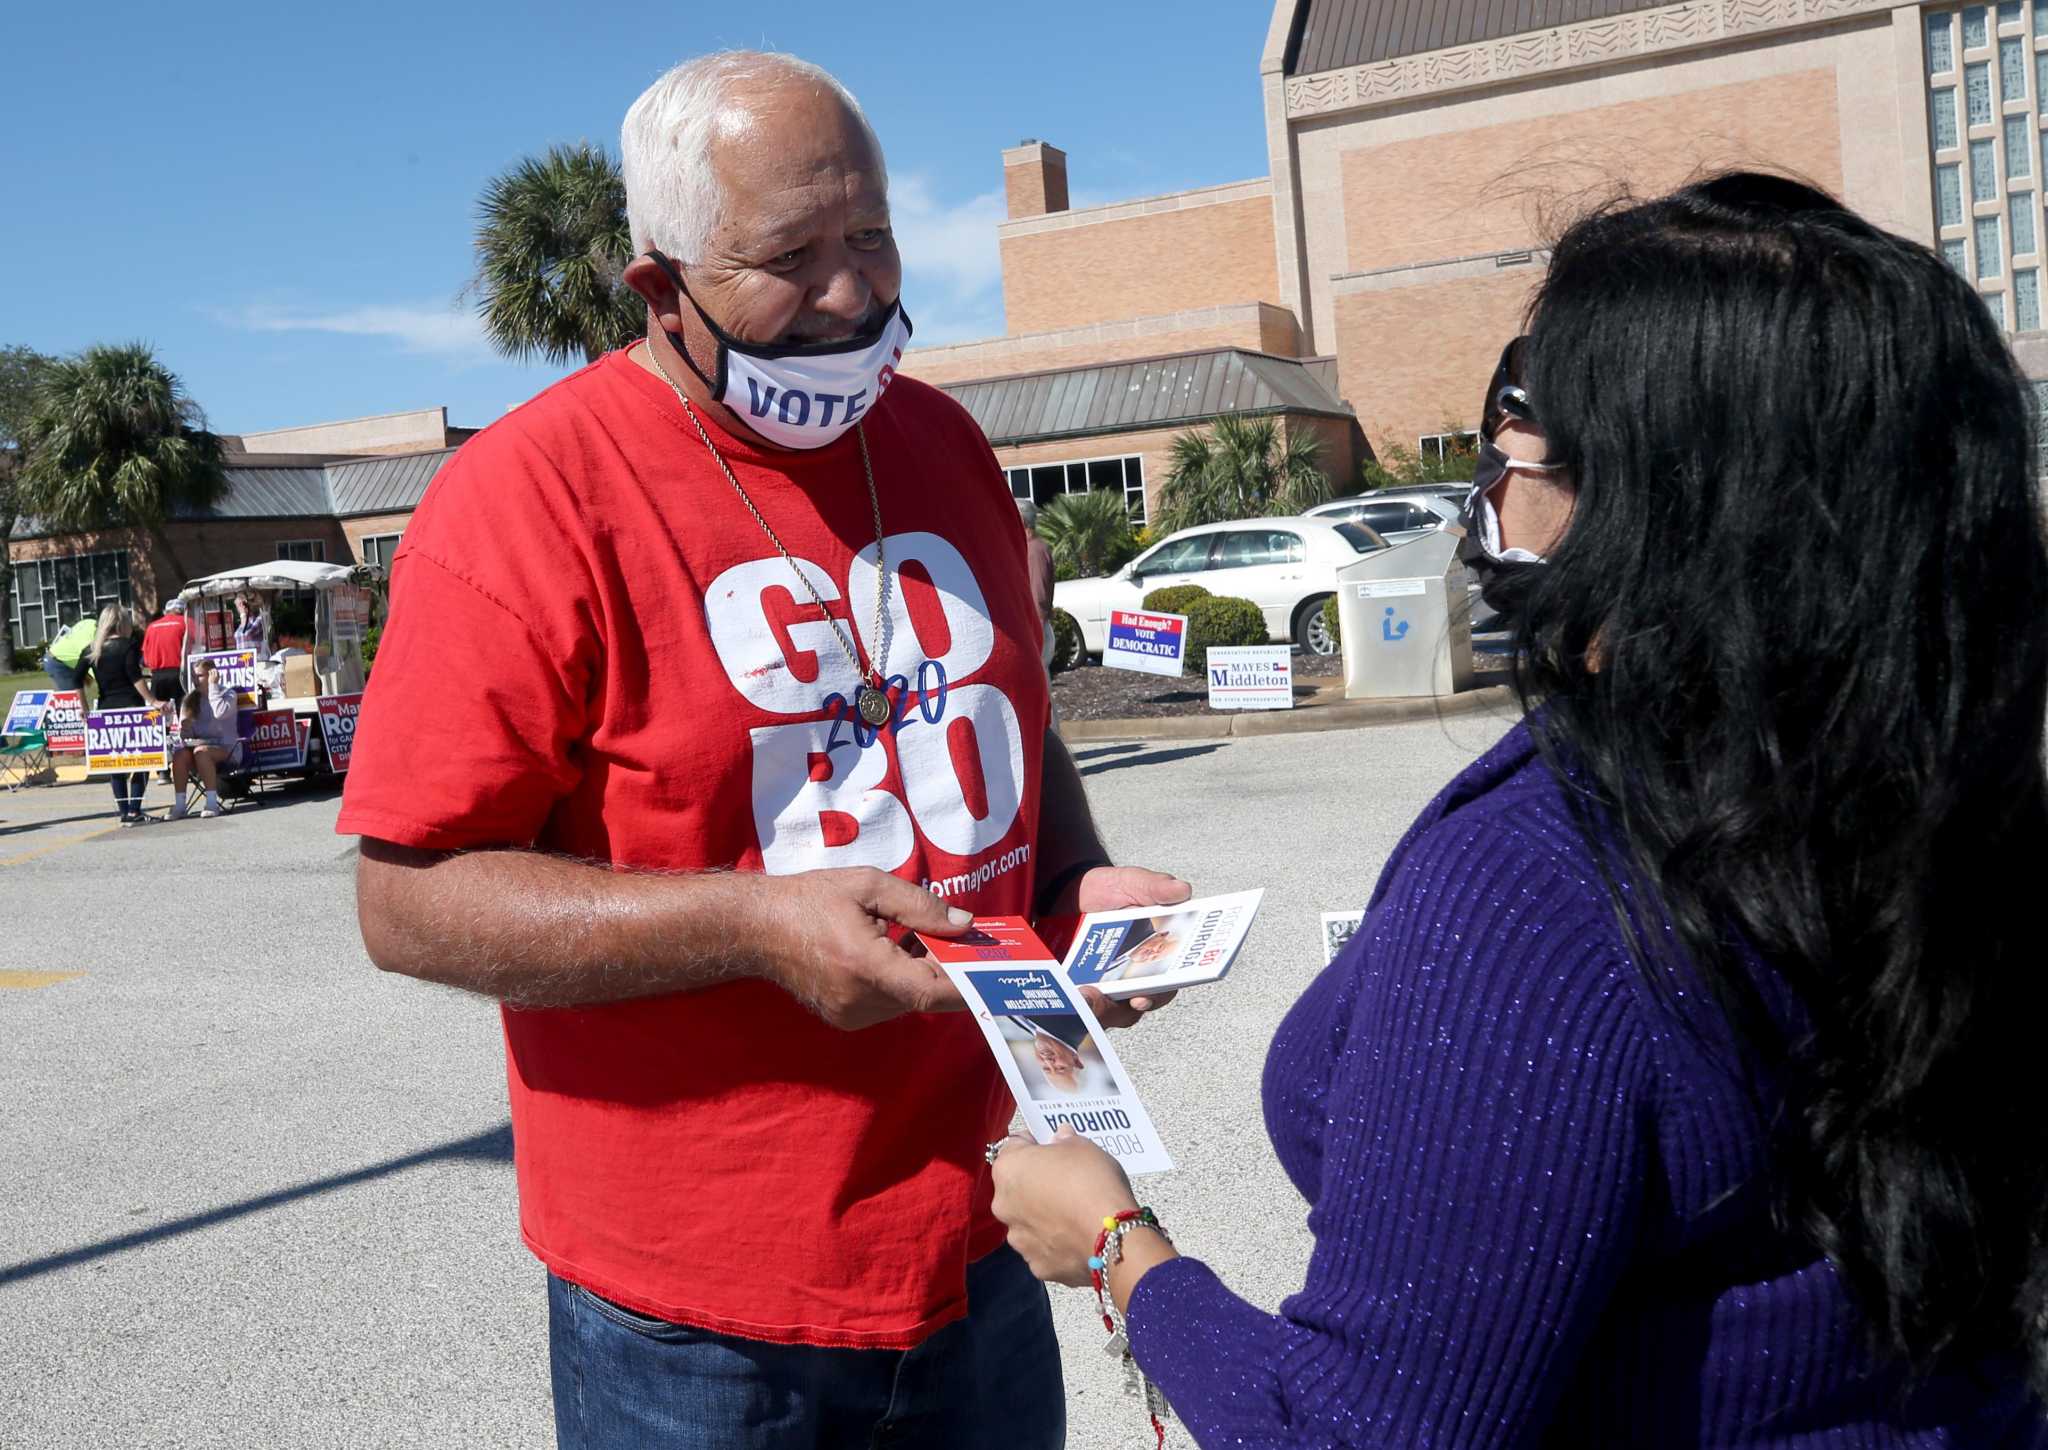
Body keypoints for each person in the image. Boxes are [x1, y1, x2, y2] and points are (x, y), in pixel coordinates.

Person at [993, 174, 2048, 1446]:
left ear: (1670, 497)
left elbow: (1359, 1435)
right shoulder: (1950, 783)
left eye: (1522, 415)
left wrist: (1117, 1247)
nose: (1494, 465)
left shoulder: (1540, 889)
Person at [338, 50, 1189, 1450]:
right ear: (659, 287)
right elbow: (406, 899)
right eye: (790, 258)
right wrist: (749, 923)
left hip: (986, 1234)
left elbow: (1007, 711)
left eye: (873, 236)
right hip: (699, 1322)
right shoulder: (524, 498)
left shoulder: (945, 443)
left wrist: (1071, 882)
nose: (853, 293)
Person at [84, 605, 157, 824]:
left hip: (106, 709)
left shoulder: (93, 649)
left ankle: (124, 811)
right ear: (122, 623)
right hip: (131, 708)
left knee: (115, 763)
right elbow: (135, 676)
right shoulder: (128, 645)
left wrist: (83, 708)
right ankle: (134, 809)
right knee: (141, 759)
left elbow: (76, 678)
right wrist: (153, 701)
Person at [167, 655, 235, 820]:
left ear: (212, 674)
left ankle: (211, 803)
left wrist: (213, 687)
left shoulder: (228, 694)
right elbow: (187, 736)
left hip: (227, 749)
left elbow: (219, 713)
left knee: (201, 752)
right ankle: (180, 805)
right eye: (193, 676)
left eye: (199, 676)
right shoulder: (190, 700)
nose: (195, 680)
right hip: (199, 747)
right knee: (180, 755)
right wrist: (185, 730)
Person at [1017, 498, 1055, 672]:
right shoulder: (1030, 548)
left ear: (1022, 520)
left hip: (1036, 630)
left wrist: (1034, 634)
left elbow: (1038, 595)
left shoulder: (1034, 551)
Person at [142, 598, 189, 706]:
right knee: (183, 711)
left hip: (157, 676)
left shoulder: (151, 627)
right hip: (180, 674)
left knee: (158, 713)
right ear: (183, 610)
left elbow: (145, 658)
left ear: (165, 612)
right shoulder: (186, 622)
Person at [41, 613, 94, 692]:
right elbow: (92, 662)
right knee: (72, 696)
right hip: (58, 662)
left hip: (59, 658)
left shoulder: (89, 622)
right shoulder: (91, 637)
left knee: (77, 693)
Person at [232, 591, 270, 656]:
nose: (239, 608)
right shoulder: (241, 624)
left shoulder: (259, 619)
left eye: (240, 604)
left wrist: (243, 614)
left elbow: (246, 632)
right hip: (242, 660)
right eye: (238, 606)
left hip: (256, 660)